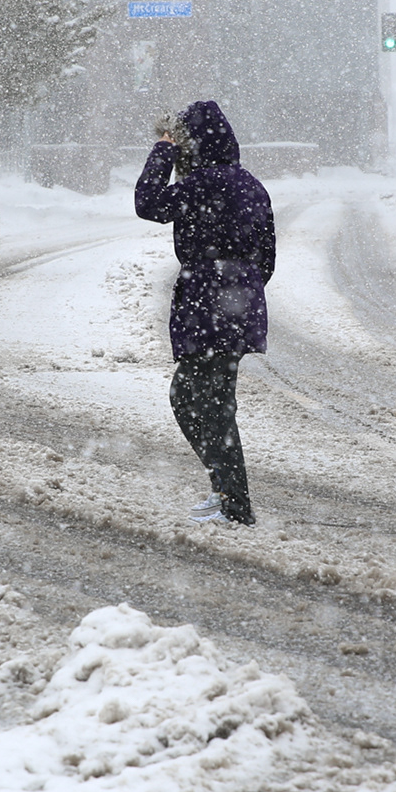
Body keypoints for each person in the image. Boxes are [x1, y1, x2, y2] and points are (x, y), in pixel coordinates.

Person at [135, 101, 275, 526]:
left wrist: (162, 148)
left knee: (191, 399)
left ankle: (232, 501)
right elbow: (267, 258)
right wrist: (241, 288)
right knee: (216, 403)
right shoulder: (251, 184)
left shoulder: (202, 183)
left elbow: (148, 202)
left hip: (208, 303)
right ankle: (228, 496)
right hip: (238, 303)